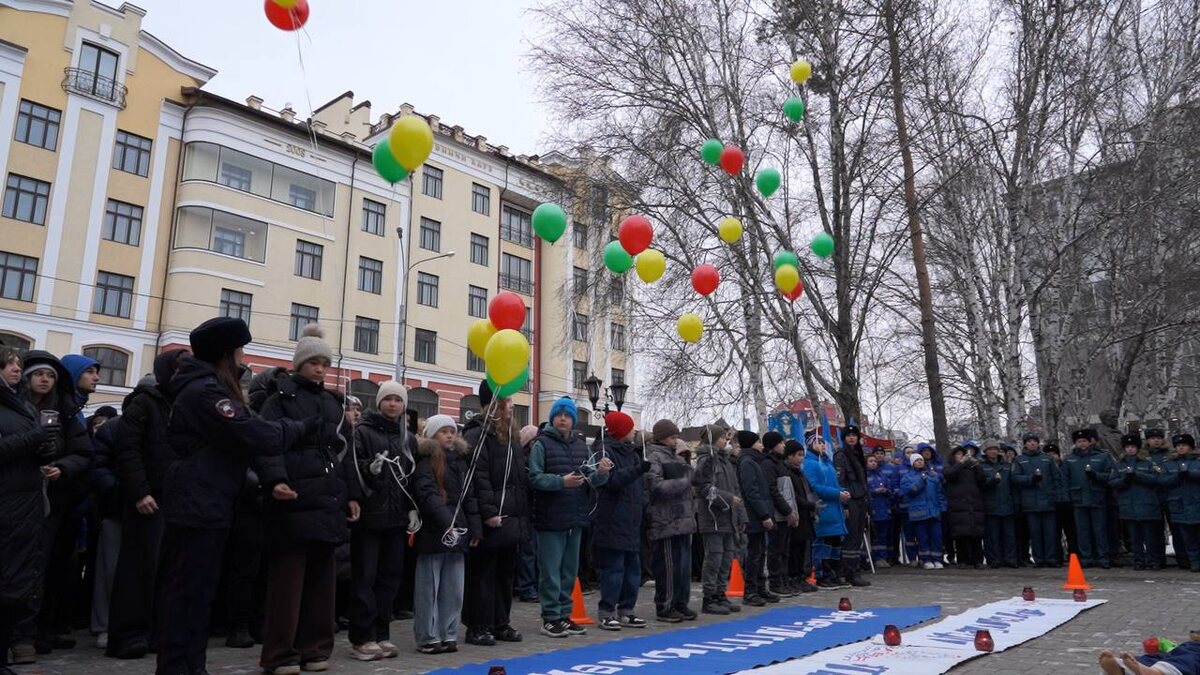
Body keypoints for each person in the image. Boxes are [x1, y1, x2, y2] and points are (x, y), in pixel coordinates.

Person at [156, 318, 313, 675]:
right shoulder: (205, 392)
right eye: (239, 351)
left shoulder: (207, 387)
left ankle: (190, 666)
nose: (243, 359)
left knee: (199, 594)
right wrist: (301, 426)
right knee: (188, 595)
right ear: (225, 354)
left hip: (209, 499)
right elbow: (256, 433)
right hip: (197, 502)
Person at [254, 325, 352, 675]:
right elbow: (267, 444)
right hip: (294, 498)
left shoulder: (332, 402)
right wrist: (275, 479)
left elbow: (345, 450)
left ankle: (316, 649)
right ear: (299, 363)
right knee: (288, 583)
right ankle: (279, 654)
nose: (320, 369)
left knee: (322, 583)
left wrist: (352, 494)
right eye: (314, 362)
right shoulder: (278, 399)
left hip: (327, 500)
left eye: (325, 363)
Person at [12, 351, 92, 662]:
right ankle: (19, 634)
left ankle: (35, 631)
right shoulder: (15, 408)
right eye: (39, 374)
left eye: (51, 376)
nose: (45, 380)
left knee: (47, 568)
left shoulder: (66, 411)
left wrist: (64, 466)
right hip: (17, 497)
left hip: (55, 502)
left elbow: (83, 452)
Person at [106, 352, 185, 660]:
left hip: (173, 499)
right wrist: (140, 492)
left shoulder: (180, 404)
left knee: (167, 571)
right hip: (146, 500)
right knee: (137, 570)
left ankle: (155, 632)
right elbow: (128, 451)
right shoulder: (144, 403)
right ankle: (127, 635)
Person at [342, 381, 415, 661]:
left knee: (390, 578)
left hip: (396, 520)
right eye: (388, 399)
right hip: (370, 518)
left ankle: (382, 633)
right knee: (365, 577)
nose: (393, 404)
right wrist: (369, 470)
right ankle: (362, 637)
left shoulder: (406, 437)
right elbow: (353, 467)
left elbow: (410, 477)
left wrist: (411, 508)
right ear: (379, 402)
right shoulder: (362, 432)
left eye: (398, 400)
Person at [528, 398, 611, 638]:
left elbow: (590, 479)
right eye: (559, 414)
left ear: (573, 419)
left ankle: (564, 615)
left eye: (567, 415)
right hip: (550, 517)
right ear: (553, 418)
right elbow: (534, 478)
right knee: (551, 571)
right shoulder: (541, 444)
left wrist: (602, 473)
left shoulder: (581, 446)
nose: (563, 418)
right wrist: (560, 482)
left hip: (575, 516)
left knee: (568, 570)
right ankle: (550, 617)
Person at [0, 347, 60, 675]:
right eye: (8, 364)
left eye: (17, 364)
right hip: (7, 505)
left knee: (14, 589)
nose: (14, 369)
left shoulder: (19, 405)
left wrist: (44, 450)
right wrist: (33, 437)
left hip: (25, 508)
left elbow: (23, 450)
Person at [463, 381, 530, 645]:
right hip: (491, 518)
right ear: (494, 404)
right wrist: (489, 512)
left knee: (505, 574)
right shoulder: (478, 434)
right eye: (507, 401)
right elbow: (478, 477)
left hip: (511, 516)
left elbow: (516, 477)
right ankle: (478, 625)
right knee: (483, 574)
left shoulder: (510, 434)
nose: (512, 406)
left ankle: (501, 622)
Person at [412, 415, 480, 654]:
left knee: (453, 588)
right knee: (429, 587)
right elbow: (427, 494)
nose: (450, 435)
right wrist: (446, 522)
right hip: (434, 532)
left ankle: (448, 632)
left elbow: (469, 497)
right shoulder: (425, 462)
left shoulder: (461, 462)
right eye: (443, 431)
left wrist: (474, 526)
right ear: (432, 435)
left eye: (452, 431)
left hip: (457, 530)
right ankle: (428, 635)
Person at [591, 411, 649, 630]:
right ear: (622, 431)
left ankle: (627, 609)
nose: (634, 432)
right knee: (613, 569)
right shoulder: (605, 451)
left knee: (633, 569)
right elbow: (612, 482)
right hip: (612, 519)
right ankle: (607, 610)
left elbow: (639, 487)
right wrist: (637, 470)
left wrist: (644, 507)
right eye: (630, 428)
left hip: (631, 520)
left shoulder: (632, 453)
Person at [645, 419, 697, 622]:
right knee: (668, 566)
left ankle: (680, 603)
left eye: (676, 437)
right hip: (665, 520)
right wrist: (684, 483)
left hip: (683, 519)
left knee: (683, 566)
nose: (676, 441)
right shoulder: (654, 456)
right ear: (662, 437)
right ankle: (665, 605)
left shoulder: (677, 457)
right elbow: (655, 486)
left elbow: (691, 481)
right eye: (672, 437)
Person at [693, 424, 745, 614]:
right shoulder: (706, 460)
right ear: (712, 439)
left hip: (728, 518)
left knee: (725, 559)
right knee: (713, 559)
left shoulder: (725, 461)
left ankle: (720, 594)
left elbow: (736, 489)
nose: (726, 440)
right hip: (713, 518)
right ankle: (709, 598)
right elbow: (703, 488)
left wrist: (741, 515)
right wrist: (727, 499)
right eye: (722, 437)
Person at [802, 432, 850, 588]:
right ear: (810, 445)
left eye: (823, 442)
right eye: (818, 442)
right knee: (823, 544)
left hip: (835, 510)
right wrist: (837, 494)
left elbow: (834, 484)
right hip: (823, 509)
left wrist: (842, 491)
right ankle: (822, 576)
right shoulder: (810, 463)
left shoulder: (827, 462)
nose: (822, 445)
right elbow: (814, 487)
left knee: (835, 544)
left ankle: (835, 574)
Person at [1063, 428, 1118, 568]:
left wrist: (1096, 476)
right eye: (1079, 441)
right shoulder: (1069, 459)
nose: (1082, 444)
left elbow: (1111, 475)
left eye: (1084, 441)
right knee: (1082, 531)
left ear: (1089, 442)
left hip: (1097, 497)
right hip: (1078, 499)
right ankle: (1086, 558)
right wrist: (1067, 497)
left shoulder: (1102, 457)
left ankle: (1103, 557)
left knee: (1100, 530)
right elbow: (1064, 479)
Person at [1112, 433, 1165, 571]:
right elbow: (1112, 482)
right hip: (1128, 506)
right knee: (1135, 538)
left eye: (1133, 447)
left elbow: (1155, 479)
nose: (1130, 449)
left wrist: (1137, 475)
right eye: (1127, 447)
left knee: (1150, 537)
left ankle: (1153, 560)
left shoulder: (1147, 463)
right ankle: (1138, 560)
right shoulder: (1119, 465)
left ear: (1138, 448)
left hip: (1147, 505)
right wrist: (1124, 480)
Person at [736, 431, 776, 604]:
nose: (761, 445)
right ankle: (750, 591)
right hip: (754, 515)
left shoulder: (754, 461)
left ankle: (761, 588)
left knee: (760, 553)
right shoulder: (747, 462)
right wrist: (764, 514)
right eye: (758, 442)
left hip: (759, 513)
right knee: (754, 555)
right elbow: (751, 491)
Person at [760, 431, 802, 595]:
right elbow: (773, 491)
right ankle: (776, 583)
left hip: (787, 514)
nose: (784, 446)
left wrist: (793, 511)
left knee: (785, 550)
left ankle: (785, 581)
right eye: (781, 443)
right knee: (776, 550)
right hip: (778, 514)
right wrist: (787, 511)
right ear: (773, 445)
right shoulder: (768, 464)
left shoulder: (780, 463)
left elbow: (789, 492)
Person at [1011, 435, 1059, 567]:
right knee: (1035, 533)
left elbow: (1056, 478)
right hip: (1030, 502)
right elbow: (1015, 478)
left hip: (1048, 501)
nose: (1032, 444)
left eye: (1034, 442)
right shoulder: (1019, 460)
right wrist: (1030, 479)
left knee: (1050, 533)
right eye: (1029, 442)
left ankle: (1051, 558)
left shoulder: (1047, 458)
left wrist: (1056, 496)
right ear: (1025, 444)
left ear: (1038, 444)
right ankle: (1039, 559)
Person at [1145, 428, 1188, 570]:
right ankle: (1156, 560)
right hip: (1152, 497)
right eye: (1152, 438)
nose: (1156, 440)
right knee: (1154, 531)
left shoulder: (1171, 455)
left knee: (1176, 529)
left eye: (1159, 437)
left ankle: (1182, 558)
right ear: (1147, 440)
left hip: (1170, 496)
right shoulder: (1143, 456)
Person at [834, 425, 871, 586]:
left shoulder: (858, 454)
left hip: (860, 498)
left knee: (857, 536)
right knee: (850, 537)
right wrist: (845, 505)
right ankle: (849, 572)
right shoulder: (841, 455)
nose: (851, 438)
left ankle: (854, 569)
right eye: (848, 435)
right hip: (850, 499)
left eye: (854, 435)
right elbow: (840, 480)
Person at [901, 453, 946, 569]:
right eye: (917, 460)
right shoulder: (908, 477)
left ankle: (937, 559)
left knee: (936, 536)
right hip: (919, 513)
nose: (920, 462)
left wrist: (942, 507)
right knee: (923, 537)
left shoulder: (932, 475)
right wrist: (921, 482)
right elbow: (909, 492)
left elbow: (940, 493)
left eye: (921, 460)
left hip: (934, 511)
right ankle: (926, 559)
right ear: (912, 463)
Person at [783, 441, 818, 590]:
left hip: (805, 514)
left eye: (802, 454)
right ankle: (793, 577)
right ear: (789, 456)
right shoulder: (788, 472)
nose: (801, 458)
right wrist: (809, 505)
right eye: (798, 455)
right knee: (795, 549)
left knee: (803, 547)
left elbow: (807, 491)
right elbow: (793, 496)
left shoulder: (799, 472)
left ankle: (801, 576)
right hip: (796, 513)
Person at [1162, 434, 1199, 573]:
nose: (1181, 448)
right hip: (1179, 505)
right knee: (1187, 537)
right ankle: (1193, 562)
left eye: (1184, 445)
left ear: (1190, 447)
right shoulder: (1169, 463)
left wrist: (1190, 475)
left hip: (1196, 502)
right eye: (1178, 446)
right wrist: (1177, 476)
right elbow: (1162, 481)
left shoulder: (1197, 462)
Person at [944, 445, 986, 568]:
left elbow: (982, 479)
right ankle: (962, 559)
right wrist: (961, 464)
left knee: (976, 534)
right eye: (958, 454)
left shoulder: (972, 468)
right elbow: (949, 475)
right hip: (958, 505)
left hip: (973, 504)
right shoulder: (950, 467)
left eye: (963, 455)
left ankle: (977, 560)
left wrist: (976, 465)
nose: (962, 457)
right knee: (960, 534)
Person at [513, 424, 541, 604]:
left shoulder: (529, 458)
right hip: (526, 510)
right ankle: (527, 587)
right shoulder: (523, 461)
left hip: (535, 510)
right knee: (528, 551)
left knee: (535, 551)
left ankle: (533, 586)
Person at [979, 440, 1018, 567]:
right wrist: (992, 482)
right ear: (985, 451)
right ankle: (994, 560)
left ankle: (1010, 559)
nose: (993, 451)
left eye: (995, 449)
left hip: (1007, 505)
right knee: (992, 537)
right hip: (991, 505)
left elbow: (1012, 485)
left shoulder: (1006, 465)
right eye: (990, 449)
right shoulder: (981, 466)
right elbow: (980, 485)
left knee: (1009, 536)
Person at [866, 455, 893, 568]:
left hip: (883, 509)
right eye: (870, 461)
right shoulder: (864, 476)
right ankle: (872, 558)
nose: (873, 463)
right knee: (873, 535)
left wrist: (886, 490)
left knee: (883, 535)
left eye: (875, 461)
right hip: (872, 509)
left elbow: (890, 489)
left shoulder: (882, 475)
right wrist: (873, 491)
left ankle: (882, 557)